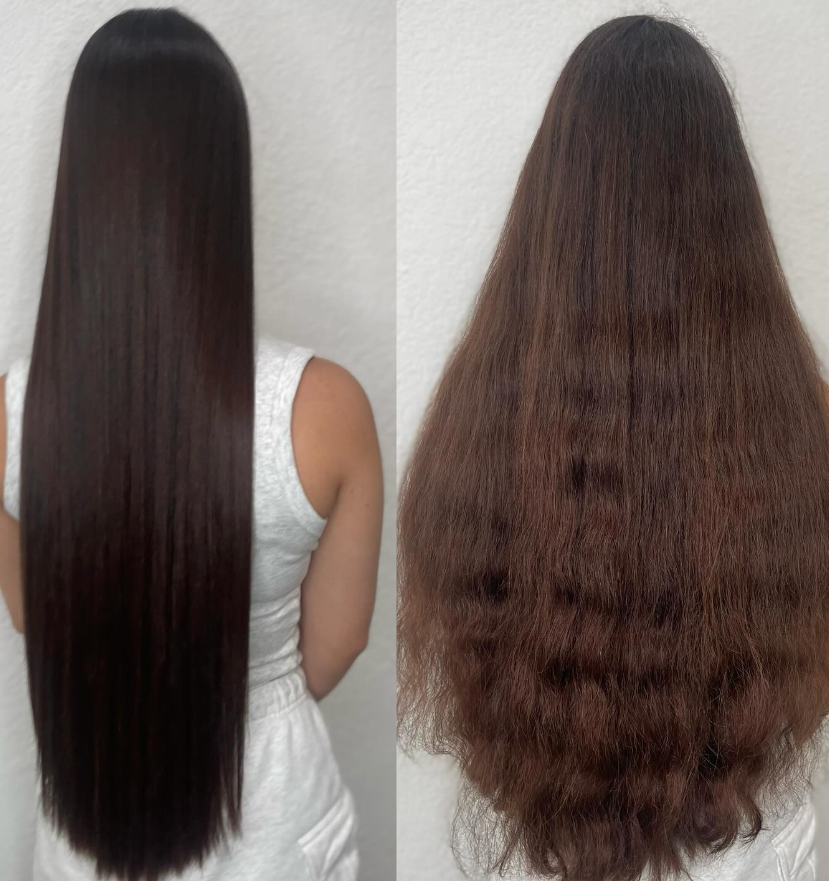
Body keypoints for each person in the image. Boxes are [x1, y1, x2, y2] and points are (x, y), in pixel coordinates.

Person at [398, 15, 828, 881]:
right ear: (729, 198)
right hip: (748, 848)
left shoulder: (471, 431)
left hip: (549, 850)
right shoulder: (804, 426)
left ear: (553, 192)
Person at [0, 9, 382, 881]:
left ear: (80, 179)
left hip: (86, 817)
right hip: (272, 817)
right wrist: (243, 690)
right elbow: (339, 640)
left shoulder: (4, 420)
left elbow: (38, 614)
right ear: (223, 178)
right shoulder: (324, 408)